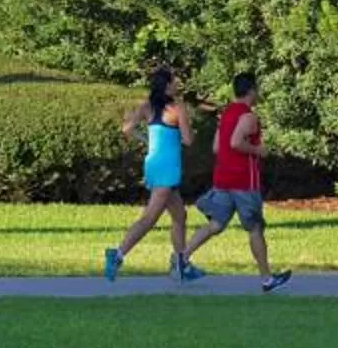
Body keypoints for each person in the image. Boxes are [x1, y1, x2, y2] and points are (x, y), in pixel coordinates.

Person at [183, 71, 292, 293]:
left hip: (223, 179)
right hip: (244, 181)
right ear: (251, 90)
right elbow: (235, 143)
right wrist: (257, 150)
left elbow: (217, 147)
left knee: (216, 224)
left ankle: (182, 258)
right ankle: (267, 279)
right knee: (255, 228)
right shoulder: (248, 116)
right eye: (257, 89)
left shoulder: (226, 115)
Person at [102, 68, 196, 282]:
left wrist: (147, 140)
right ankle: (117, 254)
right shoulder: (177, 108)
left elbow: (126, 128)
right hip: (168, 166)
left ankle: (181, 264)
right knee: (149, 219)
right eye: (174, 80)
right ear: (167, 85)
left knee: (180, 215)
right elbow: (188, 140)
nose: (177, 83)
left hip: (154, 164)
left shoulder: (148, 107)